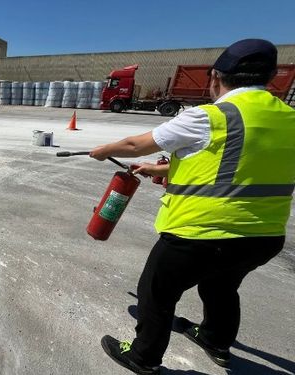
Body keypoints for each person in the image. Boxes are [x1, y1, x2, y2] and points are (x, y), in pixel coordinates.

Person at [89, 39, 295, 374]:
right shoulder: (289, 118)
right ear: (271, 76)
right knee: (221, 285)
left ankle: (142, 356)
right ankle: (215, 339)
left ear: (216, 77)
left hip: (202, 233)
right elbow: (238, 163)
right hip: (264, 237)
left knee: (156, 290)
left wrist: (102, 149)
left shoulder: (212, 116)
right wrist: (159, 170)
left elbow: (135, 144)